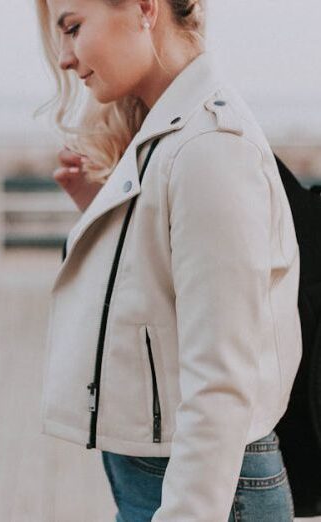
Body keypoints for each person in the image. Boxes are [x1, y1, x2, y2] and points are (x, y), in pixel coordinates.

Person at [34, 1, 302, 520]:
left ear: (143, 8)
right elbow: (162, 294)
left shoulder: (209, 147)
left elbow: (222, 379)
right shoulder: (170, 134)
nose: (65, 58)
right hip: (174, 481)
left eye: (72, 28)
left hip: (209, 492)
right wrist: (104, 210)